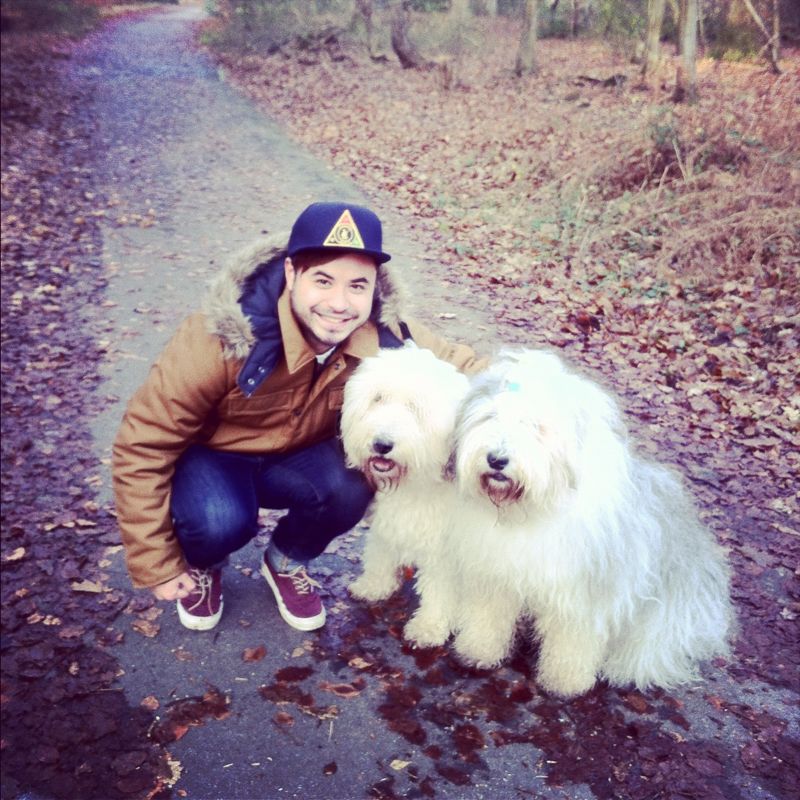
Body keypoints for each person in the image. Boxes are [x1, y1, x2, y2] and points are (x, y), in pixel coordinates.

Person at [112, 201, 483, 633]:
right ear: (291, 274)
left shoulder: (387, 335)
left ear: (374, 288)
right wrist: (156, 562)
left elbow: (467, 367)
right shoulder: (221, 336)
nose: (339, 304)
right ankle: (204, 563)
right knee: (218, 520)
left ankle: (286, 559)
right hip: (215, 457)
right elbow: (143, 443)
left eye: (357, 286)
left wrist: (530, 395)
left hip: (300, 458)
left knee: (351, 485)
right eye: (323, 280)